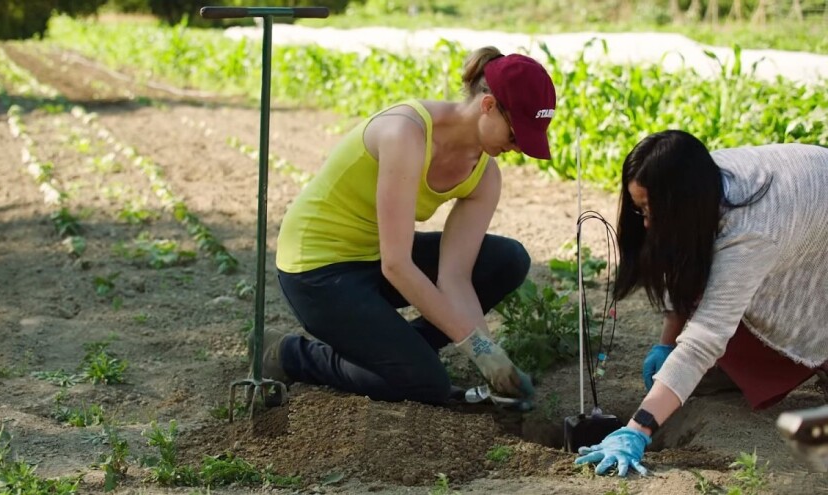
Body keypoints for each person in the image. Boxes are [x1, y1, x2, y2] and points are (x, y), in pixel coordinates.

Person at [259, 46, 557, 405]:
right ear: (488, 106)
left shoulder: (485, 175)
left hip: (375, 254)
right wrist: (478, 349)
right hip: (319, 269)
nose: (519, 148)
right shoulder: (406, 133)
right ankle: (290, 354)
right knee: (425, 386)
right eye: (515, 136)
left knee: (506, 259)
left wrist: (488, 350)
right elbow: (397, 265)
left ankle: (404, 352)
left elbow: (455, 277)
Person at [575, 130, 828, 476]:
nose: (645, 223)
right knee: (692, 373)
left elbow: (705, 339)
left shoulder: (750, 233)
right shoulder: (697, 178)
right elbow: (683, 262)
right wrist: (666, 346)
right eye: (639, 210)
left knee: (813, 325)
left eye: (650, 210)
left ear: (680, 206)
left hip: (813, 226)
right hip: (799, 210)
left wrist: (638, 429)